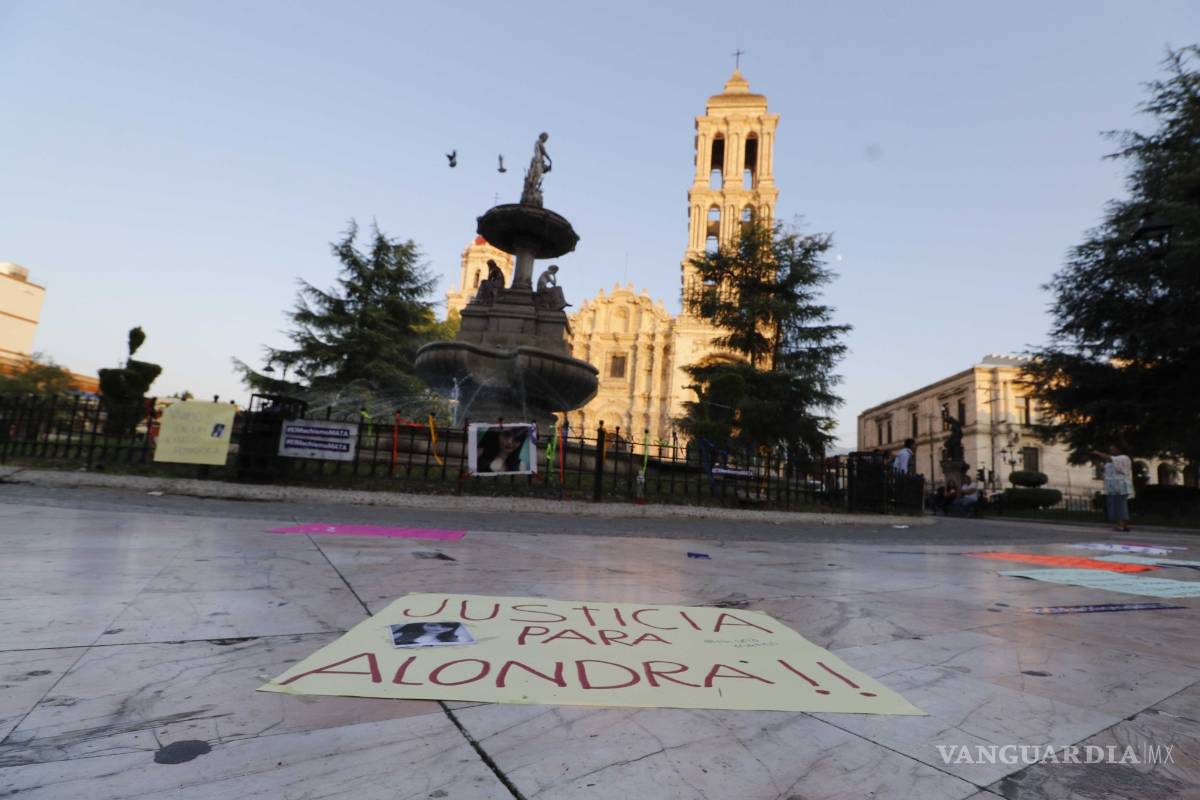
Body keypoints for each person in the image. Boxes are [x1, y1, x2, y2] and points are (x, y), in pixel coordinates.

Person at [1092, 445, 1134, 532]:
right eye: (1110, 449)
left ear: (1119, 450)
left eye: (1113, 449)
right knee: (1114, 506)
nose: (1111, 451)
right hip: (1111, 487)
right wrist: (1097, 463)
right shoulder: (1109, 462)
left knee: (1120, 505)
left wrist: (1098, 453)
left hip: (1121, 486)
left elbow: (1111, 459)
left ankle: (1122, 525)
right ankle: (1120, 524)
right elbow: (1104, 470)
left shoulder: (1124, 458)